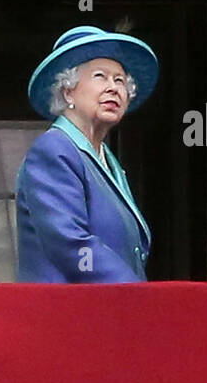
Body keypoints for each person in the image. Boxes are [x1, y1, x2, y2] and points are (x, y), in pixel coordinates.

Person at [16, 26, 157, 282]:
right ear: (67, 90)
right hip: (67, 314)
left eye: (120, 80)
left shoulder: (107, 161)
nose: (113, 88)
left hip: (107, 311)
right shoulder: (54, 150)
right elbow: (71, 244)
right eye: (100, 76)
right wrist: (135, 293)